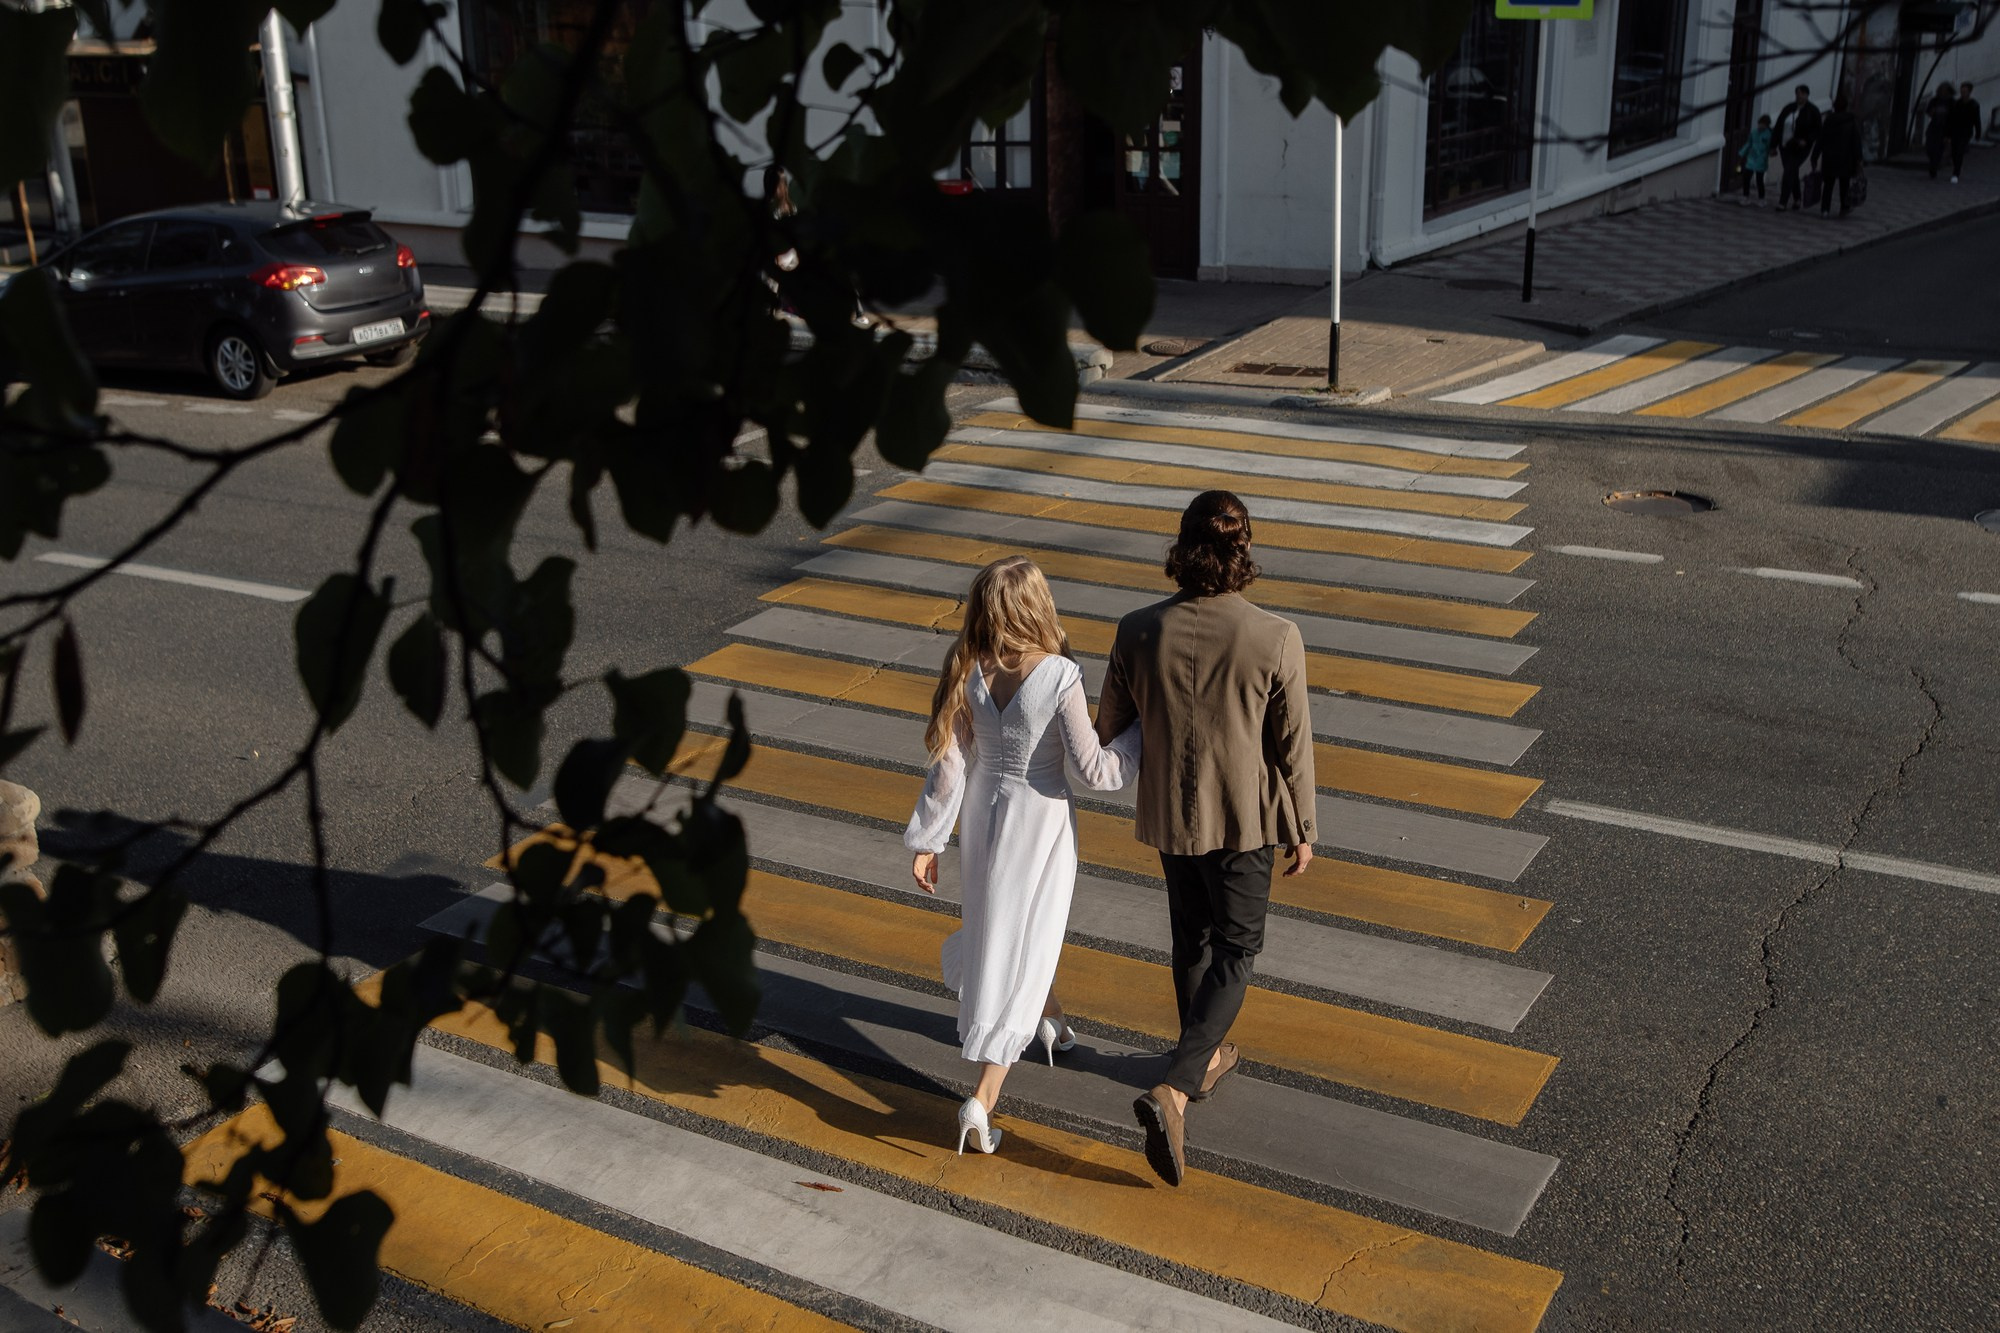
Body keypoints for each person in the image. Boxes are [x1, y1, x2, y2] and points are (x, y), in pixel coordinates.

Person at [1095, 491, 1317, 1188]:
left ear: (1183, 548)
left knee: (1189, 939)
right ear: (1243, 550)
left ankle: (1203, 1057)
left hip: (1170, 813)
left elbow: (1108, 727)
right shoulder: (1275, 636)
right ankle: (1179, 1086)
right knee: (1239, 946)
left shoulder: (1135, 630)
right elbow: (1293, 745)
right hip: (1243, 820)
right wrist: (1303, 827)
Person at [905, 557, 1140, 1157]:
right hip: (1040, 825)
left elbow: (952, 765)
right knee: (1026, 947)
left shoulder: (971, 671)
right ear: (1039, 606)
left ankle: (1051, 1017)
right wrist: (1140, 733)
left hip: (984, 819)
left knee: (1002, 931)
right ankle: (982, 1101)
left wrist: (930, 840)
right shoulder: (1060, 675)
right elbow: (1095, 771)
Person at [1815, 92, 1863, 217]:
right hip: (1846, 158)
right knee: (1844, 185)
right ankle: (1844, 207)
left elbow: (1821, 139)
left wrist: (1815, 155)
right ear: (1846, 106)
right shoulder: (1851, 121)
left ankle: (1825, 209)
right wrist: (1859, 159)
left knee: (1828, 185)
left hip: (1830, 157)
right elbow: (1856, 141)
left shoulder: (1829, 120)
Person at [1774, 85, 1821, 211]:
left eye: (1801, 94)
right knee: (1792, 171)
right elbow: (1779, 125)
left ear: (1806, 95)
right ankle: (1797, 198)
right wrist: (1773, 145)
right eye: (1797, 94)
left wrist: (1807, 140)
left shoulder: (1812, 111)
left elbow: (1817, 130)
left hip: (1800, 148)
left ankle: (1783, 202)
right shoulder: (1789, 108)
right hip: (1785, 145)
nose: (1798, 97)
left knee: (1789, 170)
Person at [1949, 82, 1983, 183]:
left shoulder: (1973, 105)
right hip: (1955, 131)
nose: (1963, 93)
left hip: (1965, 132)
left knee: (1959, 151)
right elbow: (1951, 118)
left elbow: (1977, 120)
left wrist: (1978, 133)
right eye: (1962, 91)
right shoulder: (1957, 103)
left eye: (1965, 91)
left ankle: (1956, 173)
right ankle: (1956, 167)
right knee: (1954, 152)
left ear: (1969, 92)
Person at [1738, 114, 1774, 204]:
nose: (1760, 126)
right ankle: (1745, 196)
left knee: (1759, 180)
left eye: (1763, 125)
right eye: (1760, 124)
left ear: (1766, 125)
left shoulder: (1769, 135)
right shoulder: (1754, 132)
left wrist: (1771, 152)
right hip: (1751, 158)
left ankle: (1761, 198)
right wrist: (1742, 153)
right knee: (1746, 178)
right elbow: (1749, 143)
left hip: (1761, 159)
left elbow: (1770, 147)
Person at [1925, 83, 1956, 179]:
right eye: (1941, 90)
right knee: (1929, 147)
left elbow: (1953, 118)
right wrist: (1932, 112)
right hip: (1934, 127)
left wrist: (1950, 135)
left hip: (1944, 129)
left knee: (1938, 149)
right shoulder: (1935, 101)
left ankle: (1933, 168)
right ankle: (1933, 163)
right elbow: (1928, 112)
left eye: (1945, 91)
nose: (1943, 92)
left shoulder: (1951, 102)